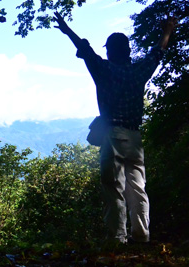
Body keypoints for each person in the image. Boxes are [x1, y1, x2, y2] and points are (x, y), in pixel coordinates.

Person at [53, 12, 177, 244]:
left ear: (109, 51)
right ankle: (141, 236)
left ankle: (117, 238)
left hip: (112, 136)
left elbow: (85, 50)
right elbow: (156, 54)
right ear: (128, 51)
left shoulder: (104, 70)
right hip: (135, 137)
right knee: (138, 188)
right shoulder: (138, 72)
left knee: (113, 189)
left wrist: (66, 29)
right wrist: (167, 30)